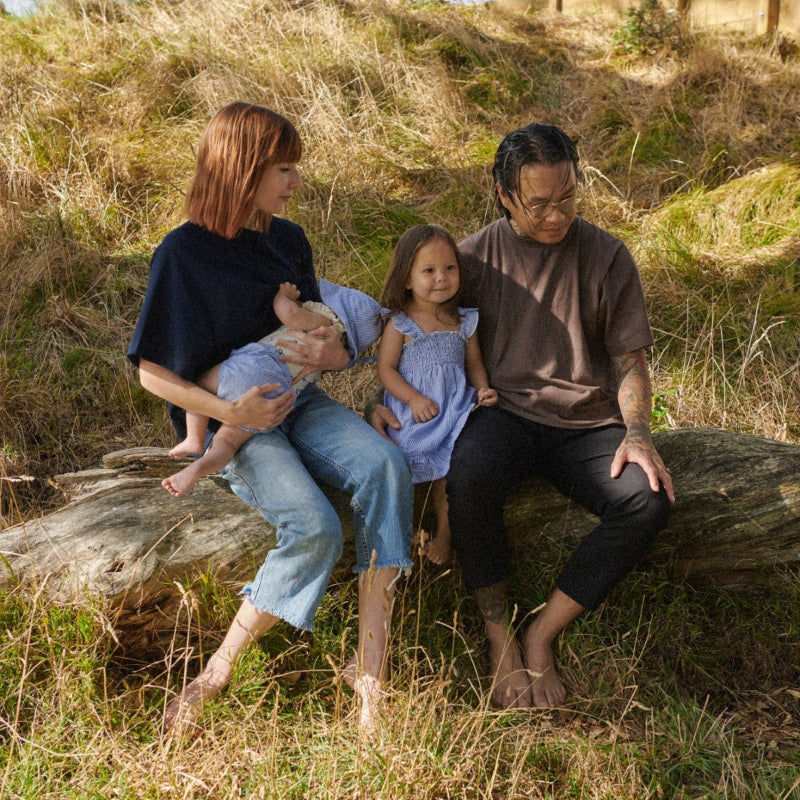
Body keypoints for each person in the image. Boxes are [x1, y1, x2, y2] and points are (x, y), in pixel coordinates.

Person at [127, 102, 413, 734]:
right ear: (243, 167)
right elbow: (153, 373)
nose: (296, 181)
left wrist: (332, 351)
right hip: (236, 420)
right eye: (284, 168)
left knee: (386, 466)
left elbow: (330, 346)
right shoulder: (183, 253)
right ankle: (215, 674)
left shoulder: (289, 241)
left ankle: (371, 673)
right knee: (314, 526)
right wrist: (232, 410)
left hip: (301, 399)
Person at [370, 123, 674, 709]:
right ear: (505, 195)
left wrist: (637, 433)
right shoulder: (470, 260)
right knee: (470, 478)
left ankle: (541, 631)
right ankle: (500, 639)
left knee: (649, 500)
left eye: (567, 197)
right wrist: (381, 403)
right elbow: (407, 334)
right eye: (539, 204)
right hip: (502, 413)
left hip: (589, 422)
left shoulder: (608, 256)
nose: (557, 215)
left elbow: (629, 360)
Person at [162, 278, 383, 498]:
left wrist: (283, 297)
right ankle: (199, 469)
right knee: (228, 442)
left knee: (199, 385)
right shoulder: (327, 356)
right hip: (278, 396)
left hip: (258, 366)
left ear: (338, 313)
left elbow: (290, 315)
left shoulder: (325, 322)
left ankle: (194, 438)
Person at [377, 224, 497, 564]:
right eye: (428, 271)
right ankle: (414, 530)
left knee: (449, 471)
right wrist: (413, 398)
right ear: (406, 279)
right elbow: (385, 369)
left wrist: (483, 389)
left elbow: (474, 364)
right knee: (408, 466)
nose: (441, 278)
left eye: (449, 268)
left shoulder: (463, 321)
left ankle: (445, 533)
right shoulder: (400, 324)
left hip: (454, 409)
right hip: (414, 411)